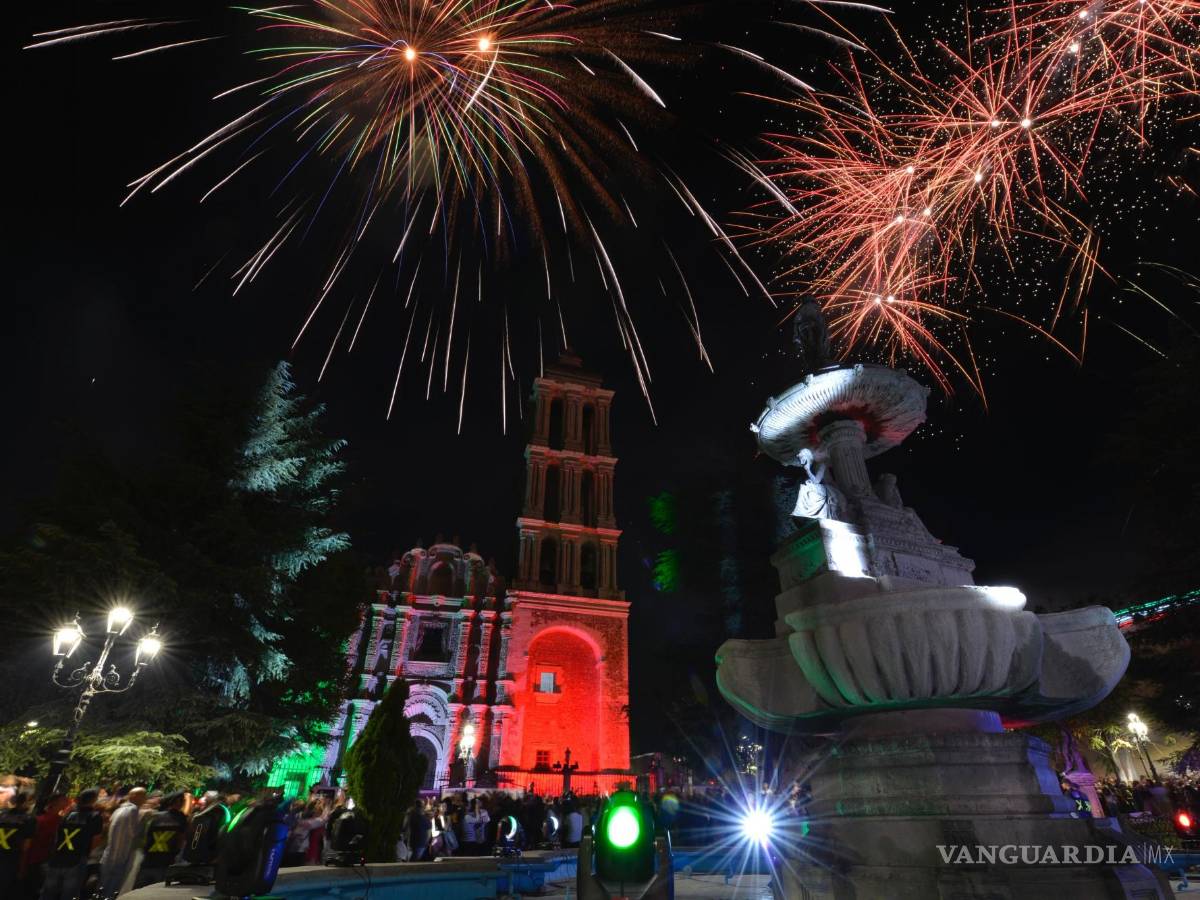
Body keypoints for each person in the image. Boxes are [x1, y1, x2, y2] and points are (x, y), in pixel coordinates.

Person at [40, 789, 103, 900]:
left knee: (48, 892)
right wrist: (86, 852)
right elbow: (96, 840)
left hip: (58, 856)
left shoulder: (68, 815)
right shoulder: (95, 816)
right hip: (77, 858)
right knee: (69, 894)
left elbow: (57, 835)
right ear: (94, 800)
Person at [133, 790, 190, 889]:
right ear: (178, 802)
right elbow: (181, 840)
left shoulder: (154, 816)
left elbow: (142, 838)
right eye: (183, 800)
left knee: (139, 891)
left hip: (148, 861)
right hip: (166, 863)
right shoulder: (181, 819)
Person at [98, 787, 146, 898]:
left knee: (102, 886)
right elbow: (134, 832)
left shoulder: (119, 809)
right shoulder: (133, 810)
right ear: (134, 796)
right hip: (121, 856)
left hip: (109, 855)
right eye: (143, 796)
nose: (145, 799)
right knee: (112, 888)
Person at [0, 791, 36, 898]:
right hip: (11, 858)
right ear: (27, 803)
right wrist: (22, 868)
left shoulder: (2, 815)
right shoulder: (29, 820)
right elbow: (26, 847)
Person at [283, 801, 325, 867]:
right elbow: (322, 821)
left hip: (293, 847)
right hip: (299, 848)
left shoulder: (288, 818)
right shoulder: (308, 822)